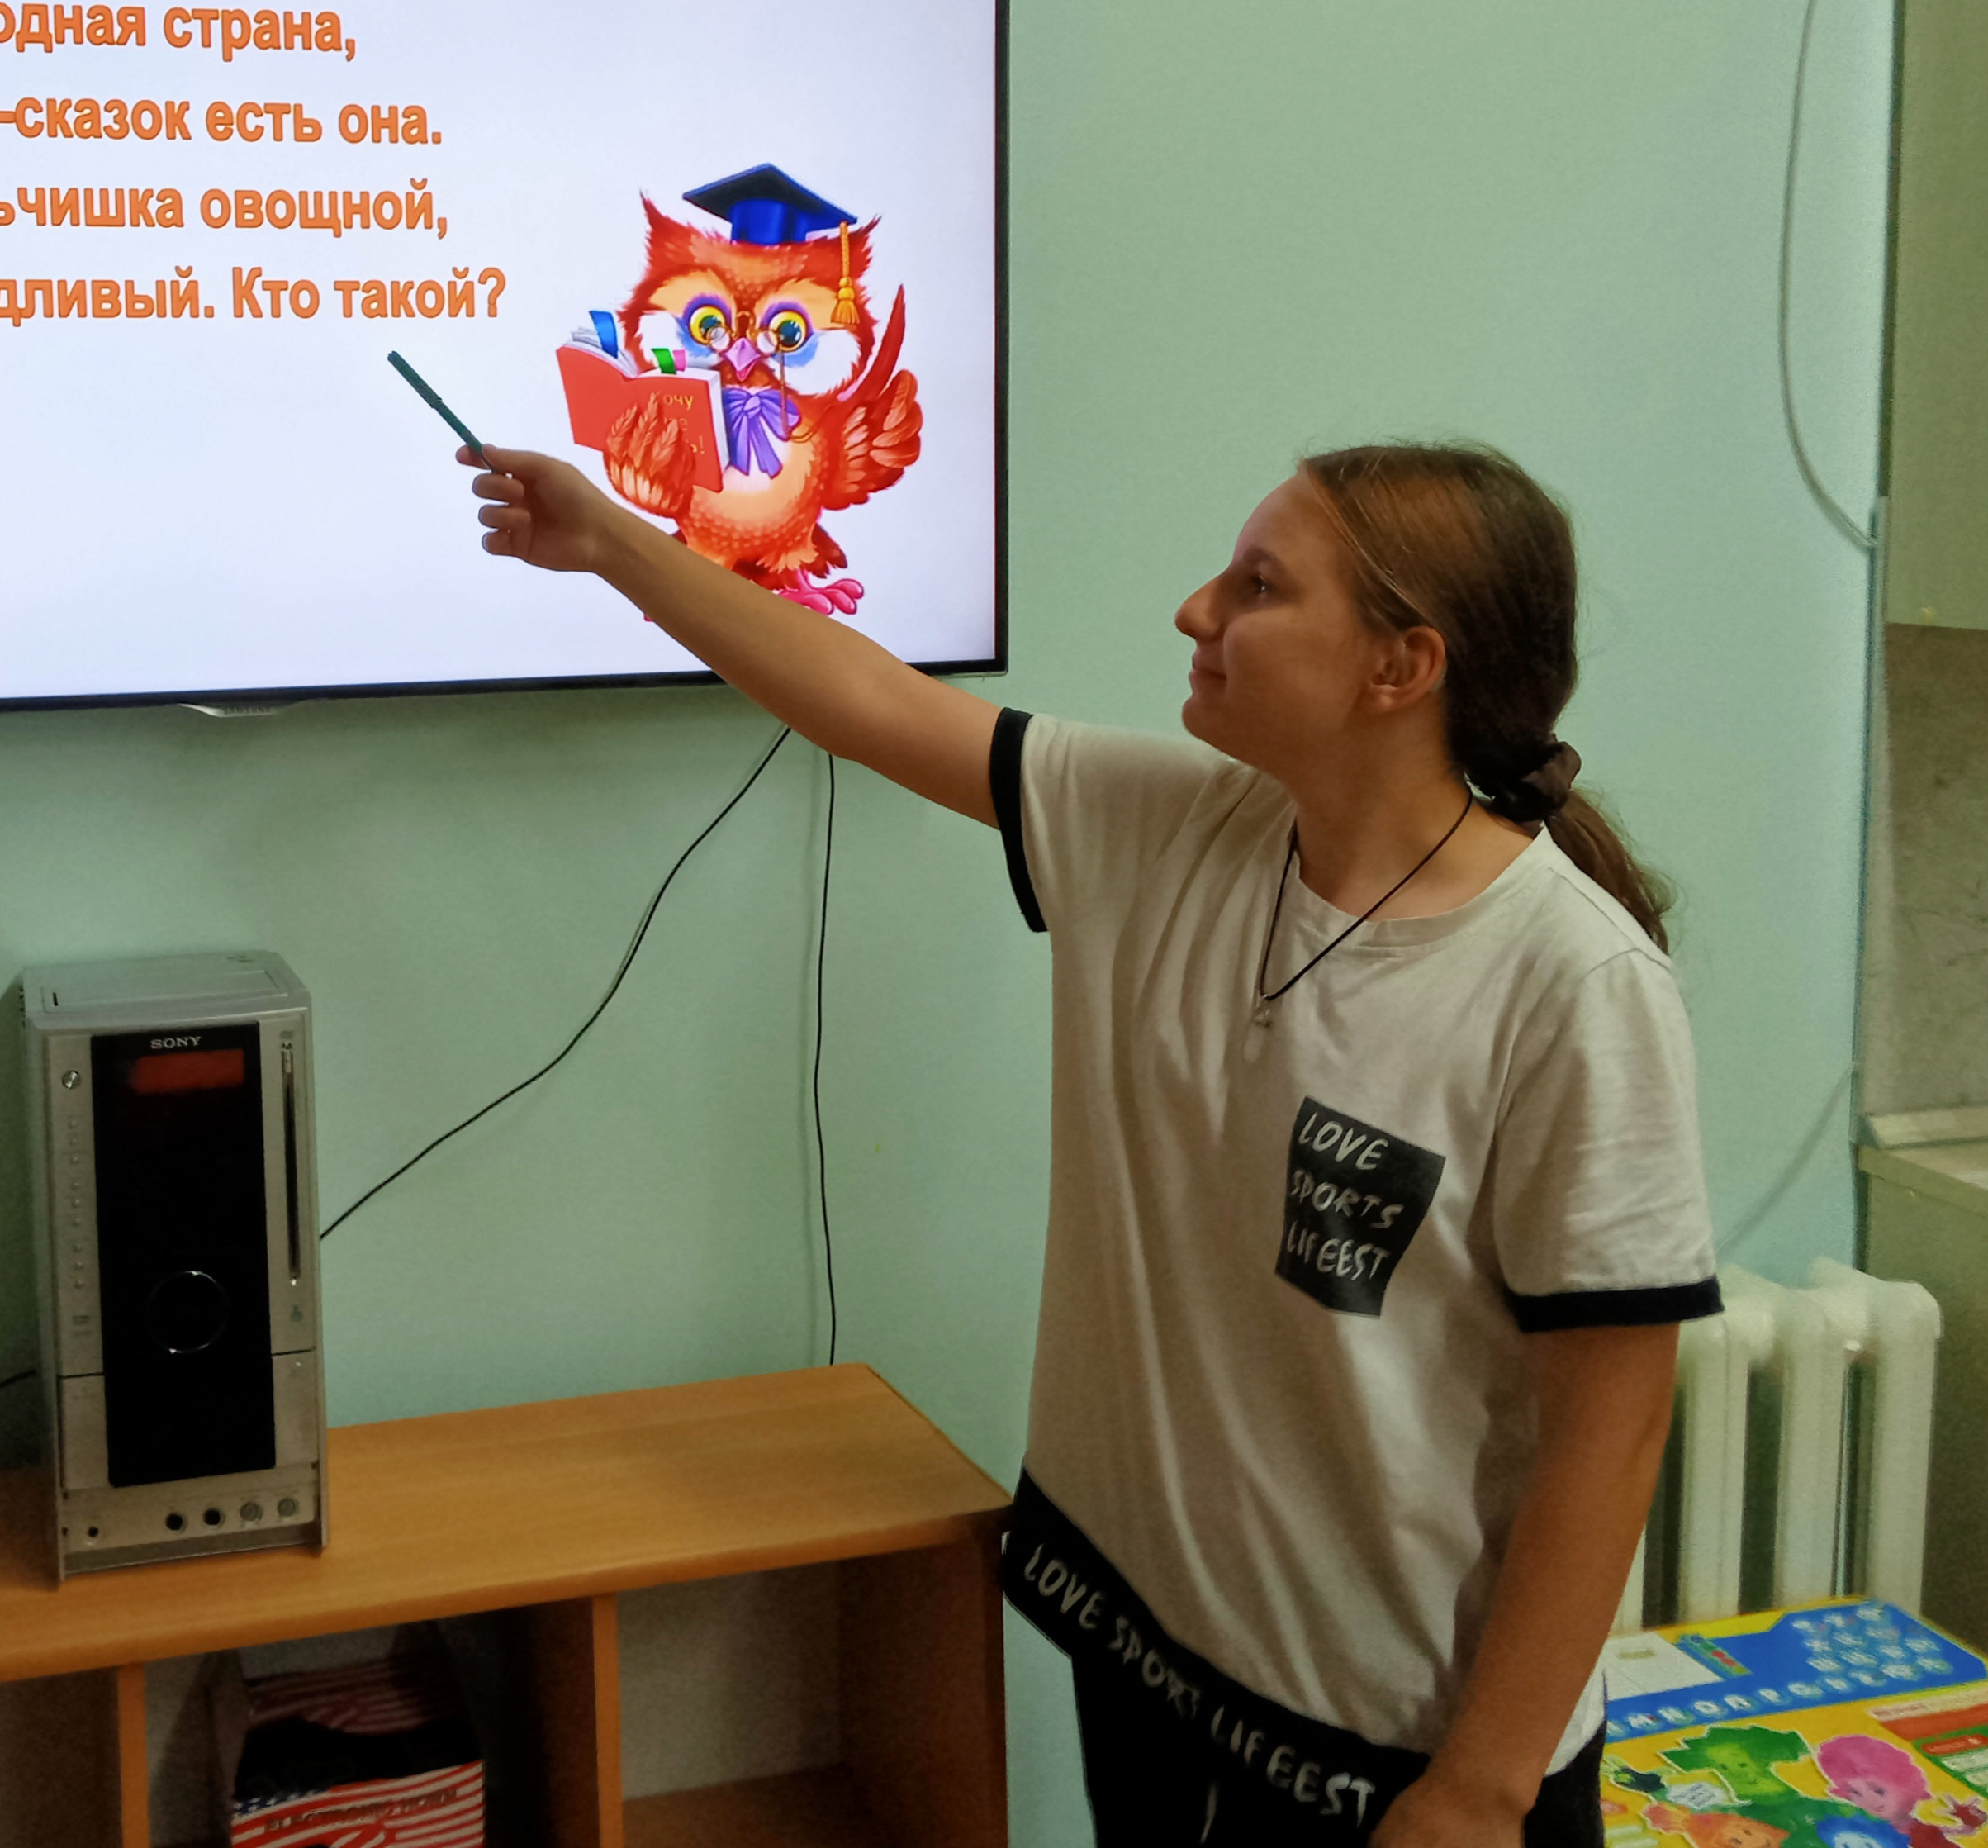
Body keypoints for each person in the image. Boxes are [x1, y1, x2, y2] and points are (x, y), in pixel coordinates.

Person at [460, 435, 1718, 1848]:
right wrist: (612, 540)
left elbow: (1613, 1429)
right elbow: (866, 698)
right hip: (1147, 1646)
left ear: (1400, 666)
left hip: (1396, 1744)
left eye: (1258, 586)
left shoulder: (1571, 983)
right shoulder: (1169, 828)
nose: (1196, 610)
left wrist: (1483, 1788)